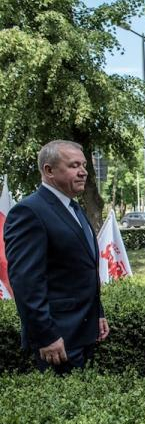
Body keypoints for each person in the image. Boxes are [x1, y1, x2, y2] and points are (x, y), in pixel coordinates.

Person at [4, 140, 109, 374]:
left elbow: (82, 268)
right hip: (58, 341)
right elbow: (26, 282)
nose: (83, 171)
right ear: (49, 170)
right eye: (74, 165)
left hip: (84, 332)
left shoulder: (74, 207)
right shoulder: (29, 212)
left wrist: (97, 314)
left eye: (83, 165)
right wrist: (46, 337)